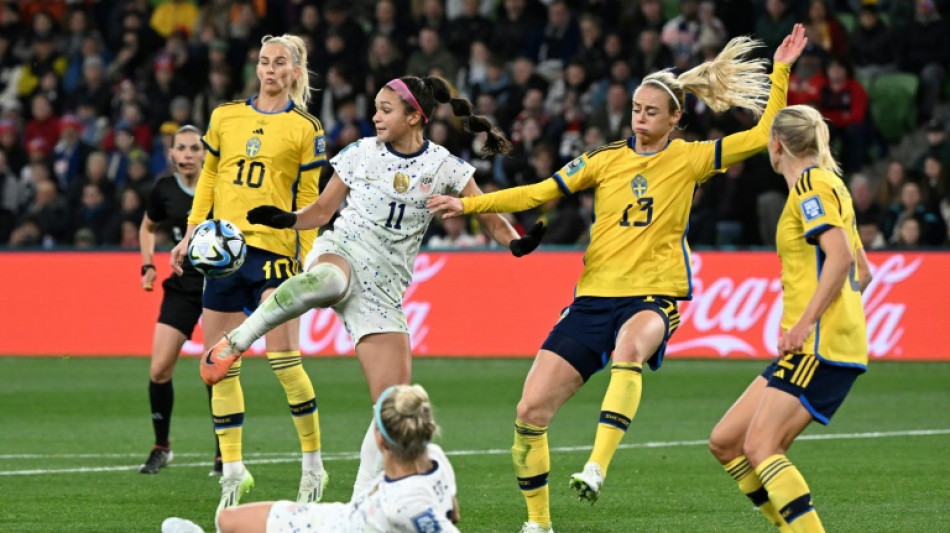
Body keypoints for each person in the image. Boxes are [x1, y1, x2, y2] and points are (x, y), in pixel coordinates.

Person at [427, 25, 808, 533]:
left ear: (675, 119)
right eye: (635, 108)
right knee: (529, 412)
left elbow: (763, 135)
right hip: (592, 299)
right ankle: (537, 524)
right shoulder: (604, 159)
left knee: (630, 351)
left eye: (651, 111)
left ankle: (596, 465)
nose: (640, 117)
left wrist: (781, 70)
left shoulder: (690, 159)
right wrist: (470, 204)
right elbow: (537, 192)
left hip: (653, 297)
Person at [199, 74, 543, 501]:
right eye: (376, 107)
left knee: (393, 407)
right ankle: (238, 340)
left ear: (414, 116)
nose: (375, 116)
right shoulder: (361, 152)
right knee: (328, 279)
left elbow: (487, 214)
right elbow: (324, 210)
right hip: (342, 247)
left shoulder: (443, 166)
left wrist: (515, 241)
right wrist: (289, 219)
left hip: (383, 288)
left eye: (385, 109)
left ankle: (359, 504)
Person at [168, 34, 328, 513]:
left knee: (284, 361)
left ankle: (313, 464)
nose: (270, 69)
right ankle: (235, 471)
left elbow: (309, 202)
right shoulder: (225, 116)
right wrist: (190, 235)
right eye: (264, 61)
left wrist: (304, 257)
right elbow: (210, 180)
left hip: (275, 254)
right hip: (224, 254)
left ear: (296, 72)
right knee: (220, 363)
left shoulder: (306, 128)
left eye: (280, 62)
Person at [708, 104, 872, 533]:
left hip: (817, 343)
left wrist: (806, 324)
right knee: (727, 442)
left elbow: (838, 259)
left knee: (762, 446)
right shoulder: (827, 184)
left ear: (775, 143)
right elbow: (863, 270)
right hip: (823, 339)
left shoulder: (810, 188)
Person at [160, 384, 459, 533]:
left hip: (326, 528)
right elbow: (452, 513)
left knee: (228, 520)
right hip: (336, 517)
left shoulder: (404, 503)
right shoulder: (436, 457)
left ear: (380, 440)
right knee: (226, 519)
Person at [138, 125, 221, 476]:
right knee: (159, 370)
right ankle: (161, 447)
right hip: (183, 286)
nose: (187, 155)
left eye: (193, 149)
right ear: (171, 154)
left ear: (205, 154)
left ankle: (224, 451)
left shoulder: (220, 188)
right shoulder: (163, 190)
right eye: (181, 149)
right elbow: (147, 226)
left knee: (217, 371)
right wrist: (147, 265)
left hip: (219, 288)